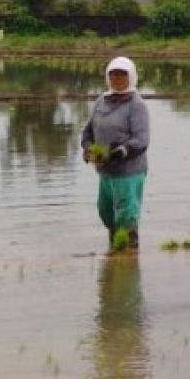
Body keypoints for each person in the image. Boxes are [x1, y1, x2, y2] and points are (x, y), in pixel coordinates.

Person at [82, 56, 150, 250]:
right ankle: (115, 247)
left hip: (129, 172)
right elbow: (88, 130)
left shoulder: (137, 105)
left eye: (122, 74)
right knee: (105, 212)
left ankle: (128, 252)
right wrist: (87, 147)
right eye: (113, 75)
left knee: (126, 214)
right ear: (107, 77)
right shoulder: (101, 101)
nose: (117, 79)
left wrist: (118, 152)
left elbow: (141, 140)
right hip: (105, 171)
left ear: (131, 77)